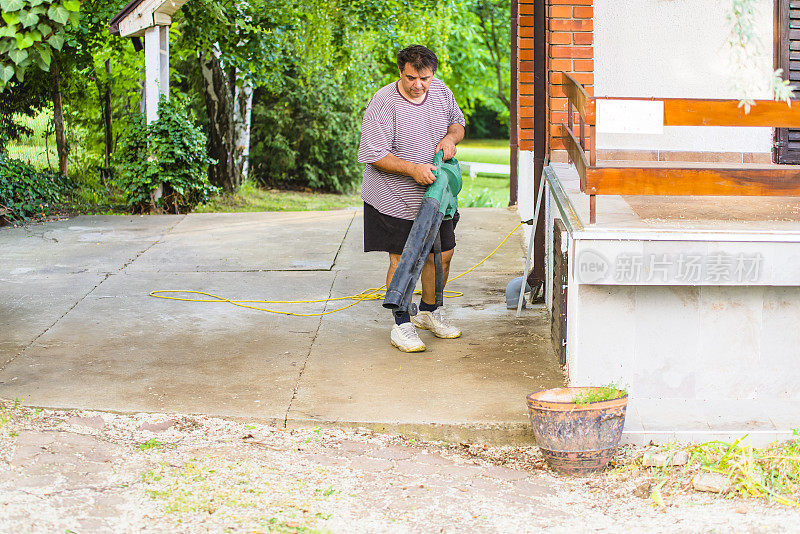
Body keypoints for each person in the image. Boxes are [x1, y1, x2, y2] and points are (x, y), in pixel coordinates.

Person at [357, 45, 466, 353]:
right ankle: (402, 322)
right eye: (411, 78)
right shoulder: (383, 103)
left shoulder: (441, 92)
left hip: (436, 195)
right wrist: (412, 169)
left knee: (442, 254)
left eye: (425, 78)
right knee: (402, 257)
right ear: (400, 72)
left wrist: (450, 137)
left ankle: (430, 312)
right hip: (393, 196)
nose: (419, 85)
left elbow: (457, 123)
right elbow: (375, 154)